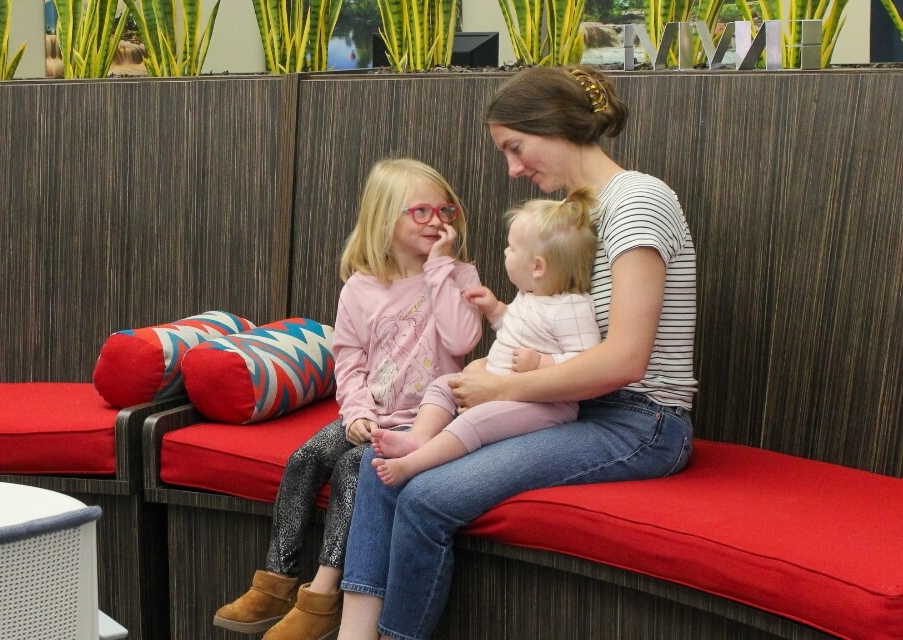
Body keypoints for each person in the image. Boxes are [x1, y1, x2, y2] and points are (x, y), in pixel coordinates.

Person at [338, 65, 698, 640]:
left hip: (639, 421)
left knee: (427, 497)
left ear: (553, 125)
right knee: (378, 474)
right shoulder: (578, 211)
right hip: (572, 405)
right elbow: (551, 327)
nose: (513, 167)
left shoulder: (637, 202)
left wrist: (501, 387)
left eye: (515, 147)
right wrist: (495, 366)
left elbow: (626, 360)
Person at [214, 158, 483, 640]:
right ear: (385, 218)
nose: (438, 220)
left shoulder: (459, 276)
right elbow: (350, 360)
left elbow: (463, 340)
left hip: (424, 421)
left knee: (353, 468)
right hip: (369, 410)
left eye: (446, 209)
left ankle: (322, 594)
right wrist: (355, 411)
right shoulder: (360, 287)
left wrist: (442, 268)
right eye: (421, 211)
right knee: (305, 457)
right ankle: (276, 580)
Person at [371, 191, 602, 487]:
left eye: (512, 248)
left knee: (473, 423)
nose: (505, 252)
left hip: (545, 405)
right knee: (443, 384)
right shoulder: (530, 296)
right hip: (503, 386)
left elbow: (587, 360)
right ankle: (418, 437)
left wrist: (544, 362)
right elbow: (516, 330)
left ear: (537, 267)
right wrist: (495, 310)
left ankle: (414, 463)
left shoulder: (572, 307)